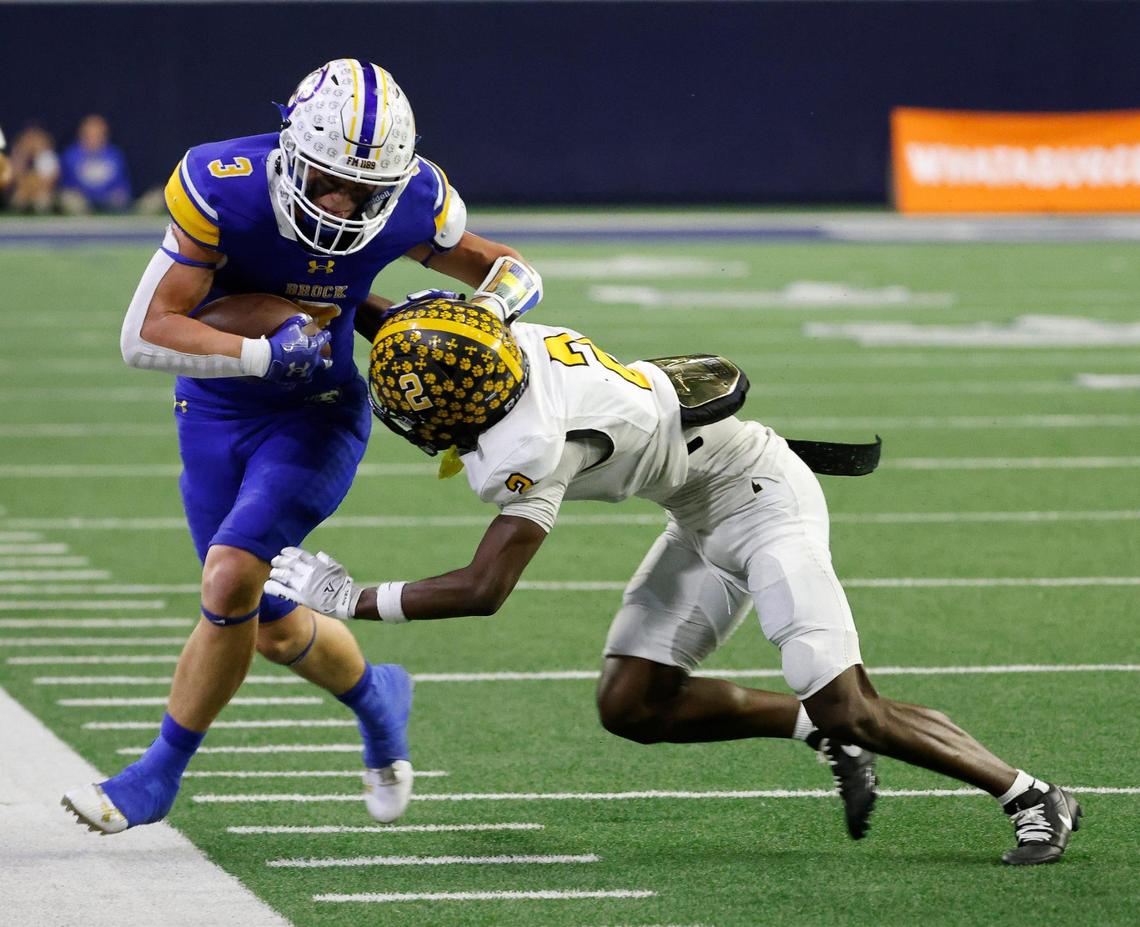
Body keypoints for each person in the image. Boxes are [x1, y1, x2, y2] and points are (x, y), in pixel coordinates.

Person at [266, 297, 1082, 866]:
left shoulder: (531, 444)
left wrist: (353, 598)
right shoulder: (495, 340)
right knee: (632, 704)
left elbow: (484, 587)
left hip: (760, 497)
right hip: (695, 502)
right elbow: (417, 327)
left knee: (849, 699)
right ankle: (816, 731)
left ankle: (1029, 792)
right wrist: (302, 284)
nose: (411, 410)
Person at [62, 60, 543, 835]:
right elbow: (143, 333)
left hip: (319, 411)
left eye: (364, 192)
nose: (342, 203)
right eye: (326, 181)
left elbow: (512, 269)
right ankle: (378, 698)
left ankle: (157, 773)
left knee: (228, 579)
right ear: (293, 152)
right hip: (214, 405)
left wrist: (485, 314)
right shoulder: (225, 182)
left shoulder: (414, 198)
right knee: (271, 623)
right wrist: (258, 355)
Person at [58, 114, 133, 214]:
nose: (93, 139)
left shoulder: (114, 155)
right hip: (81, 202)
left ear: (105, 136)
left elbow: (122, 185)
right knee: (70, 199)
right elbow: (66, 185)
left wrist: (116, 195)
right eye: (89, 135)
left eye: (98, 135)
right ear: (81, 135)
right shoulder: (71, 155)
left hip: (109, 201)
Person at [5, 124, 59, 214]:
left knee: (42, 200)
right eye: (29, 140)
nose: (32, 143)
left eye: (36, 140)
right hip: (22, 191)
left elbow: (48, 182)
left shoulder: (48, 157)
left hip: (41, 192)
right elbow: (16, 180)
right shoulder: (19, 156)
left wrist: (33, 187)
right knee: (18, 199)